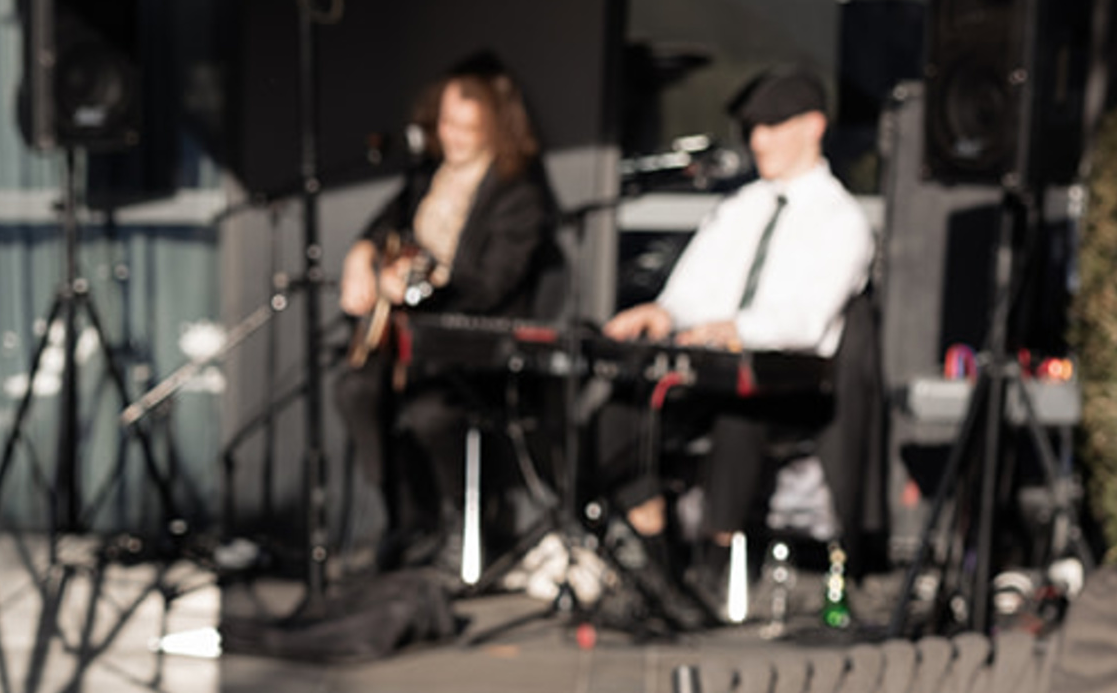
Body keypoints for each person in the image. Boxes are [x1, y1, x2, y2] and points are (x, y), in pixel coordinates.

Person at [594, 62, 873, 586]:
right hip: (708, 370)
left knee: (739, 419)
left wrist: (735, 328)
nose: (758, 140)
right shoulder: (739, 207)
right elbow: (691, 289)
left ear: (812, 126)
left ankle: (714, 569)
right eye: (754, 128)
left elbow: (807, 321)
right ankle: (659, 561)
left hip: (788, 383)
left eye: (771, 126)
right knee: (619, 412)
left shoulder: (841, 219)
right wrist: (664, 313)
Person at [334, 54, 562, 569]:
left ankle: (462, 523)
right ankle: (406, 520)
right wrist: (362, 258)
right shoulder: (427, 177)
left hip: (471, 349)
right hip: (407, 342)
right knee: (354, 389)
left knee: (430, 411)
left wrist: (417, 287)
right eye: (446, 122)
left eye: (466, 126)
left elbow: (491, 284)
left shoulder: (517, 192)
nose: (453, 135)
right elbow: (380, 230)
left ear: (494, 127)